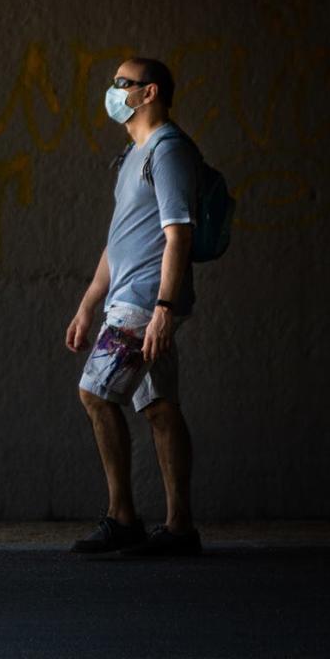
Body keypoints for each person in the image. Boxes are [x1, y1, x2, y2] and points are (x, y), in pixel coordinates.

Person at [65, 58, 202, 556]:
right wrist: (86, 305)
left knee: (96, 394)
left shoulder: (167, 151)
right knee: (160, 408)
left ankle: (123, 517)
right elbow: (117, 239)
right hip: (128, 297)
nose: (113, 91)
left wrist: (164, 306)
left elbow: (178, 233)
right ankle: (180, 528)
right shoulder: (133, 154)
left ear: (151, 93)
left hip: (145, 301)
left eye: (122, 84)